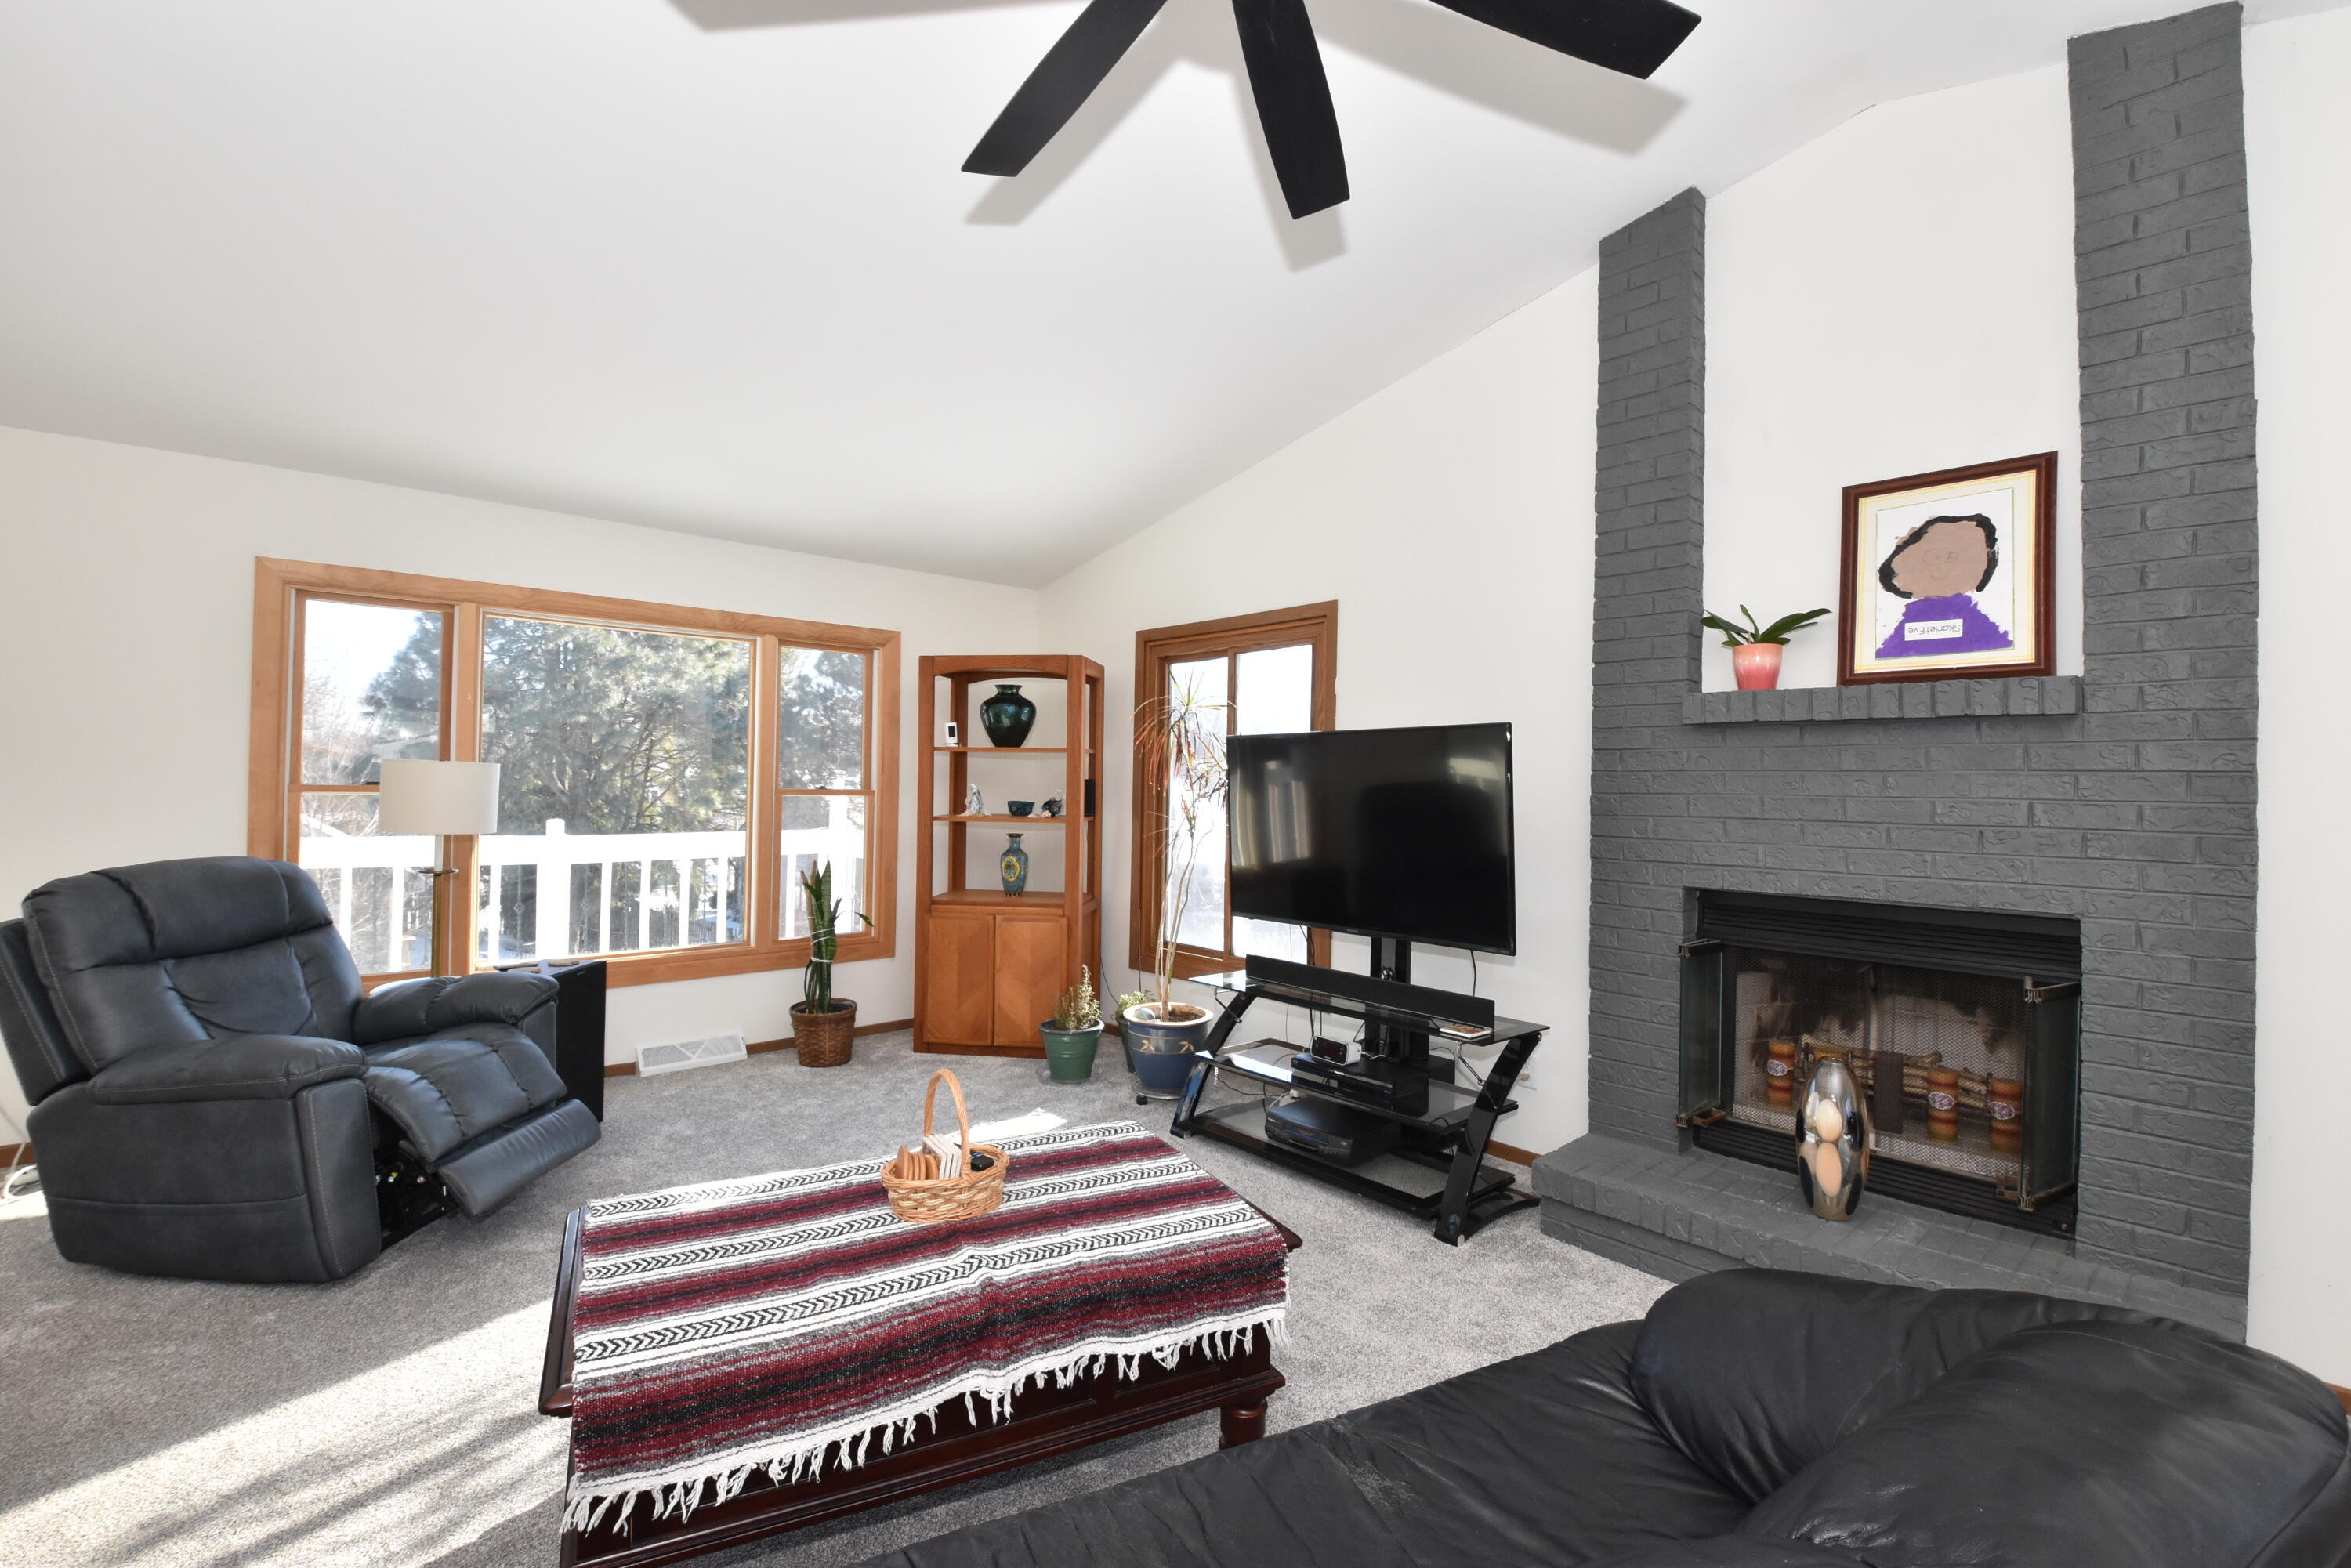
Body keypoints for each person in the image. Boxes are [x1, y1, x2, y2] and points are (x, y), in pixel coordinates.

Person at [1874, 512, 2012, 658]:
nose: (1943, 563)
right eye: (1935, 554)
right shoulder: (1902, 636)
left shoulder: (1982, 631)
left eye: (1966, 550)